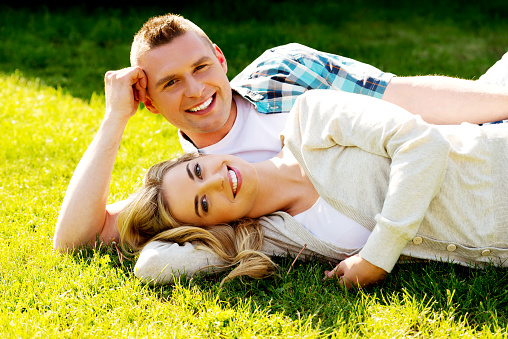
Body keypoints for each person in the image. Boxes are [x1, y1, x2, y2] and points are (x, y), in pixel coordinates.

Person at [53, 12, 508, 259]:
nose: (195, 91)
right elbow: (75, 240)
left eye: (200, 68)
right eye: (170, 83)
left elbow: (401, 96)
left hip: (462, 145)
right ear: (149, 100)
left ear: (220, 57)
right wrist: (114, 118)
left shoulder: (282, 72)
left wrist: (500, 105)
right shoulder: (189, 189)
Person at [119, 89, 508, 288]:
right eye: (204, 203)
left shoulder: (311, 118)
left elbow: (422, 143)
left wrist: (377, 256)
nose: (218, 180)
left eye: (199, 170)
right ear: (213, 225)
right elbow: (154, 267)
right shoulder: (274, 236)